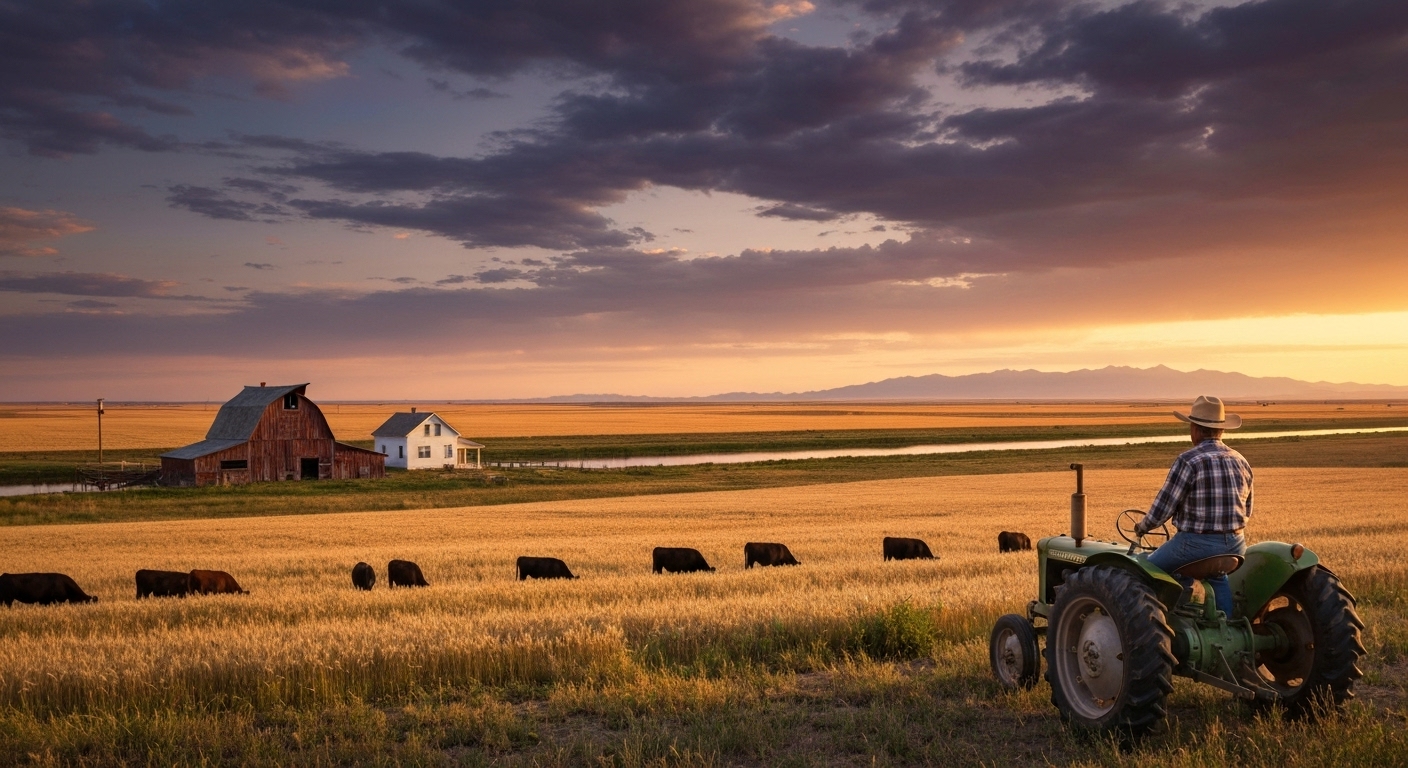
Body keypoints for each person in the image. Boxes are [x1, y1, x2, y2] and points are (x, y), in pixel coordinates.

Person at [1135, 395, 1253, 616]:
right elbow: (1247, 509)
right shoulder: (1240, 460)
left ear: (1196, 429)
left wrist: (1143, 527)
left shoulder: (1189, 460)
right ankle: (1225, 626)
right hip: (1235, 547)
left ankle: (1159, 623)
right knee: (1218, 577)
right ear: (1221, 430)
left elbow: (1164, 506)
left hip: (1195, 545)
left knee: (1144, 570)